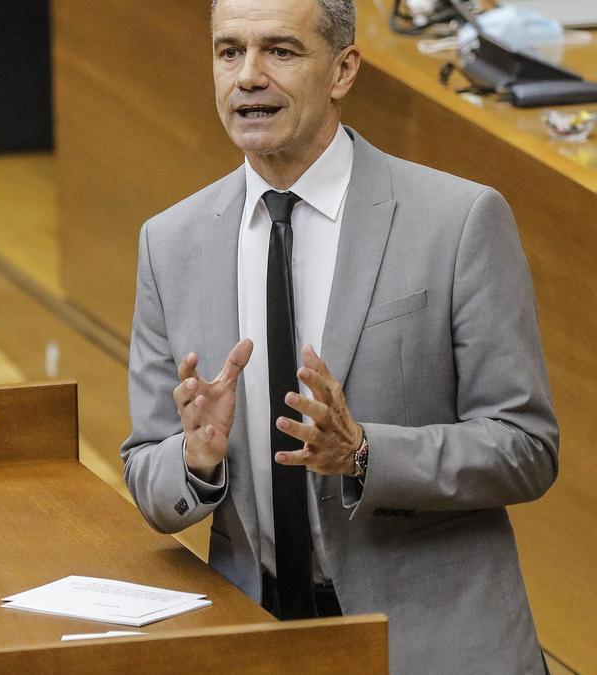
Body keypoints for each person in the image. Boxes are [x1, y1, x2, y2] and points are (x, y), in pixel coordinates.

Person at [120, 0, 559, 672]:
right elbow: (147, 471)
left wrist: (364, 453)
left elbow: (526, 447)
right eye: (228, 51)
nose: (248, 77)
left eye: (281, 51)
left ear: (343, 69)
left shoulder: (459, 222)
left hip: (429, 641)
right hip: (255, 635)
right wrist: (197, 457)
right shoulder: (169, 243)